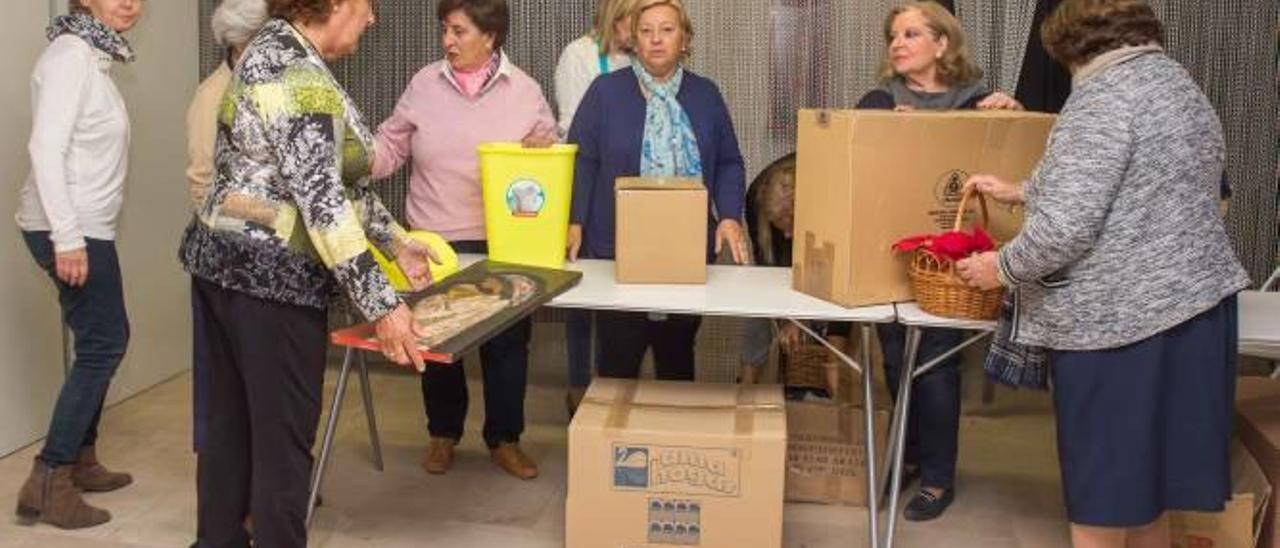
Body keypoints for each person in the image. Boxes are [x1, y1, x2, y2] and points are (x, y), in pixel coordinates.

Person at [956, 1, 1250, 546]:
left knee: (1103, 495)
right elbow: (1146, 180)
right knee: (1149, 494)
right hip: (1194, 311)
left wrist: (999, 267)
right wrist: (1024, 189)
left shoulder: (1102, 97)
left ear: (1070, 47)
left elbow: (1065, 230)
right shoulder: (1180, 86)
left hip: (1121, 326)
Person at [179, 0, 438, 545]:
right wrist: (385, 307)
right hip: (271, 285)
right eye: (367, 6)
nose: (372, 20)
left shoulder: (272, 47)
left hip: (220, 269)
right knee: (281, 442)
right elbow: (322, 203)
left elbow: (323, 181)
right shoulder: (299, 74)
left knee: (229, 428)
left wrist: (395, 241)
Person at [371, 0, 556, 481]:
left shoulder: (525, 90)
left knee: (507, 348)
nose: (447, 41)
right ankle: (443, 435)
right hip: (434, 241)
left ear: (490, 36)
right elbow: (392, 144)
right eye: (445, 30)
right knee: (437, 345)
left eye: (458, 31)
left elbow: (550, 152)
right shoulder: (423, 84)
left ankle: (505, 439)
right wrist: (357, 159)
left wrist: (544, 147)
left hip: (504, 244)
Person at [856, 0, 1022, 522]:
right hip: (890, 255)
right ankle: (905, 458)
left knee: (937, 364)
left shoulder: (978, 103)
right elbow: (855, 158)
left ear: (942, 44)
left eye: (910, 34)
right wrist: (880, 127)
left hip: (950, 263)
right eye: (893, 36)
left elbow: (1009, 161)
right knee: (892, 360)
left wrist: (1012, 116)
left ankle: (936, 478)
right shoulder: (878, 99)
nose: (897, 44)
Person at [567, 0, 749, 383]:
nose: (656, 40)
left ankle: (670, 440)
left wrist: (730, 215)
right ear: (633, 40)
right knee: (618, 360)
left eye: (667, 30)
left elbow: (730, 161)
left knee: (677, 357)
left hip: (687, 253)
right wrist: (575, 221)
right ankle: (615, 441)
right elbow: (582, 161)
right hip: (615, 251)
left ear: (684, 39)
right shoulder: (605, 93)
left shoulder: (706, 95)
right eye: (646, 31)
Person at [15, 0, 144, 530]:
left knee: (99, 340)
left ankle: (82, 458)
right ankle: (51, 476)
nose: (130, 2)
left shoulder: (94, 56)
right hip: (70, 228)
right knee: (104, 342)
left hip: (84, 227)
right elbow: (45, 147)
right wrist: (68, 237)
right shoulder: (70, 55)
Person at [184, 0, 269, 453]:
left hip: (264, 265)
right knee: (227, 390)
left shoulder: (271, 89)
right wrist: (280, 218)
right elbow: (204, 187)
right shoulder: (213, 95)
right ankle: (235, 492)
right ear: (244, 42)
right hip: (224, 265)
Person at [553, 0, 639, 415]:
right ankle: (577, 388)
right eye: (628, 20)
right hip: (589, 186)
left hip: (637, 193)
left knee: (624, 298)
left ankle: (615, 390)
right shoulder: (581, 56)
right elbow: (572, 129)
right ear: (610, 19)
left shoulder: (648, 58)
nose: (636, 30)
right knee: (583, 296)